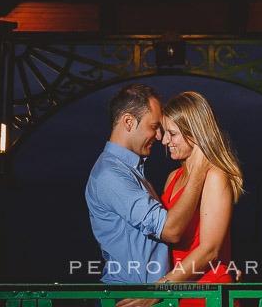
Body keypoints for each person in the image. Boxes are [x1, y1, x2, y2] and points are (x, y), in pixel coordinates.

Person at [86, 83, 211, 287]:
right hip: (130, 297)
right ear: (128, 121)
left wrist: (216, 267)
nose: (160, 137)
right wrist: (198, 172)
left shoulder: (130, 171)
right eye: (154, 127)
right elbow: (169, 231)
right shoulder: (111, 175)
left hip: (147, 294)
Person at [159, 91, 243, 302]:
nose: (164, 140)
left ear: (195, 133)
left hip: (207, 292)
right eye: (163, 132)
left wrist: (156, 291)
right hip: (175, 290)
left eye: (172, 133)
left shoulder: (215, 176)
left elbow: (209, 251)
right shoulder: (172, 178)